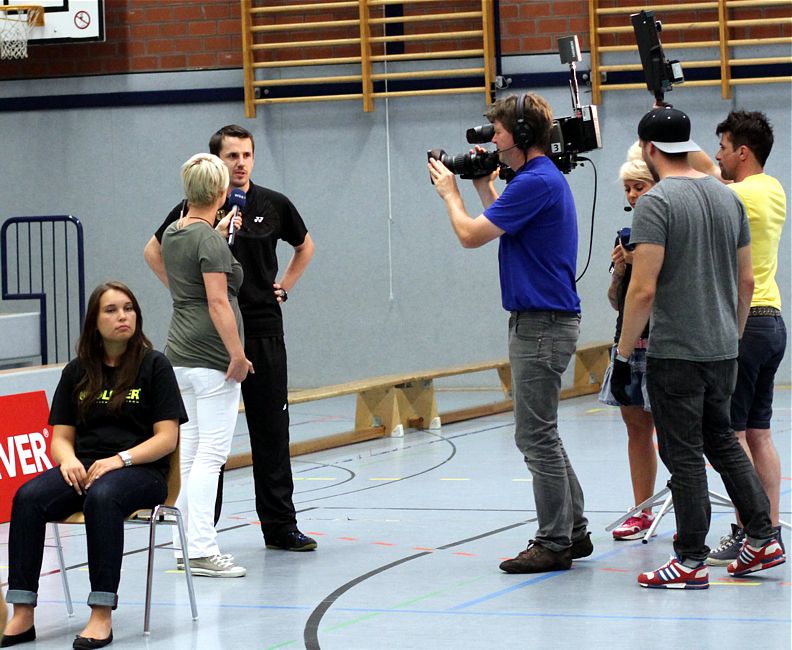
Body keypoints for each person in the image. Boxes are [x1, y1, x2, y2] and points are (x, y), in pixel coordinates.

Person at [612, 106, 784, 589]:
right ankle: (763, 536)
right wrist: (732, 335)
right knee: (722, 441)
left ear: (649, 149)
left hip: (677, 351)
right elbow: (746, 281)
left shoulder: (656, 203)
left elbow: (643, 289)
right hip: (723, 347)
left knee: (682, 452)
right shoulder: (727, 198)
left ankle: (689, 559)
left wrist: (623, 356)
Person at [428, 93, 591, 574]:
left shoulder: (536, 180)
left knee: (535, 436)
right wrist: (484, 185)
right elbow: (506, 224)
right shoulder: (538, 180)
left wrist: (451, 194)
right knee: (544, 433)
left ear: (520, 135)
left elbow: (470, 235)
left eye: (498, 133)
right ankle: (573, 530)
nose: (493, 141)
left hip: (541, 323)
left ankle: (554, 541)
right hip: (544, 320)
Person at [144, 125, 317, 552]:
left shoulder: (273, 204)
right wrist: (188, 296)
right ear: (216, 163)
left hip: (261, 328)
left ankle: (280, 525)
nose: (240, 163)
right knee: (206, 441)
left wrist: (285, 285)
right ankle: (203, 529)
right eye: (232, 156)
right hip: (214, 337)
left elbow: (305, 246)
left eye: (246, 155)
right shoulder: (193, 212)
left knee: (271, 429)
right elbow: (153, 251)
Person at [1, 282, 186, 648]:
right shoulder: (77, 371)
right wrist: (68, 460)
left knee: (102, 497)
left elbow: (167, 438)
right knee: (28, 497)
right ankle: (23, 611)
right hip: (86, 469)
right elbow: (60, 438)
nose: (122, 316)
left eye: (128, 308)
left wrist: (120, 459)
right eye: (111, 310)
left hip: (142, 471)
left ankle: (101, 613)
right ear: (94, 322)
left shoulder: (155, 366)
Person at [160, 153, 253, 578]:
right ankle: (200, 548)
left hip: (178, 354)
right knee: (211, 455)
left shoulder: (174, 233)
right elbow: (217, 302)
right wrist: (237, 354)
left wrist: (215, 233)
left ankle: (183, 545)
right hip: (211, 356)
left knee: (191, 453)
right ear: (220, 192)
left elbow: (192, 274)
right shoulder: (211, 242)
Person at [706, 111, 787, 565]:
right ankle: (770, 531)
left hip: (746, 322)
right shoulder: (773, 189)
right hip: (772, 321)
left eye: (723, 147)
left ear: (742, 152)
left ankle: (748, 534)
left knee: (731, 436)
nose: (717, 156)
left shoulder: (740, 195)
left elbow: (700, 180)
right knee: (759, 433)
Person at [599, 144, 657, 540]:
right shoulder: (628, 236)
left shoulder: (669, 231)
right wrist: (621, 270)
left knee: (674, 433)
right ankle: (642, 510)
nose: (633, 195)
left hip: (665, 343)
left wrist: (644, 265)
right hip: (630, 341)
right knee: (636, 427)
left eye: (640, 187)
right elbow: (616, 300)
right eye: (628, 189)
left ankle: (690, 513)